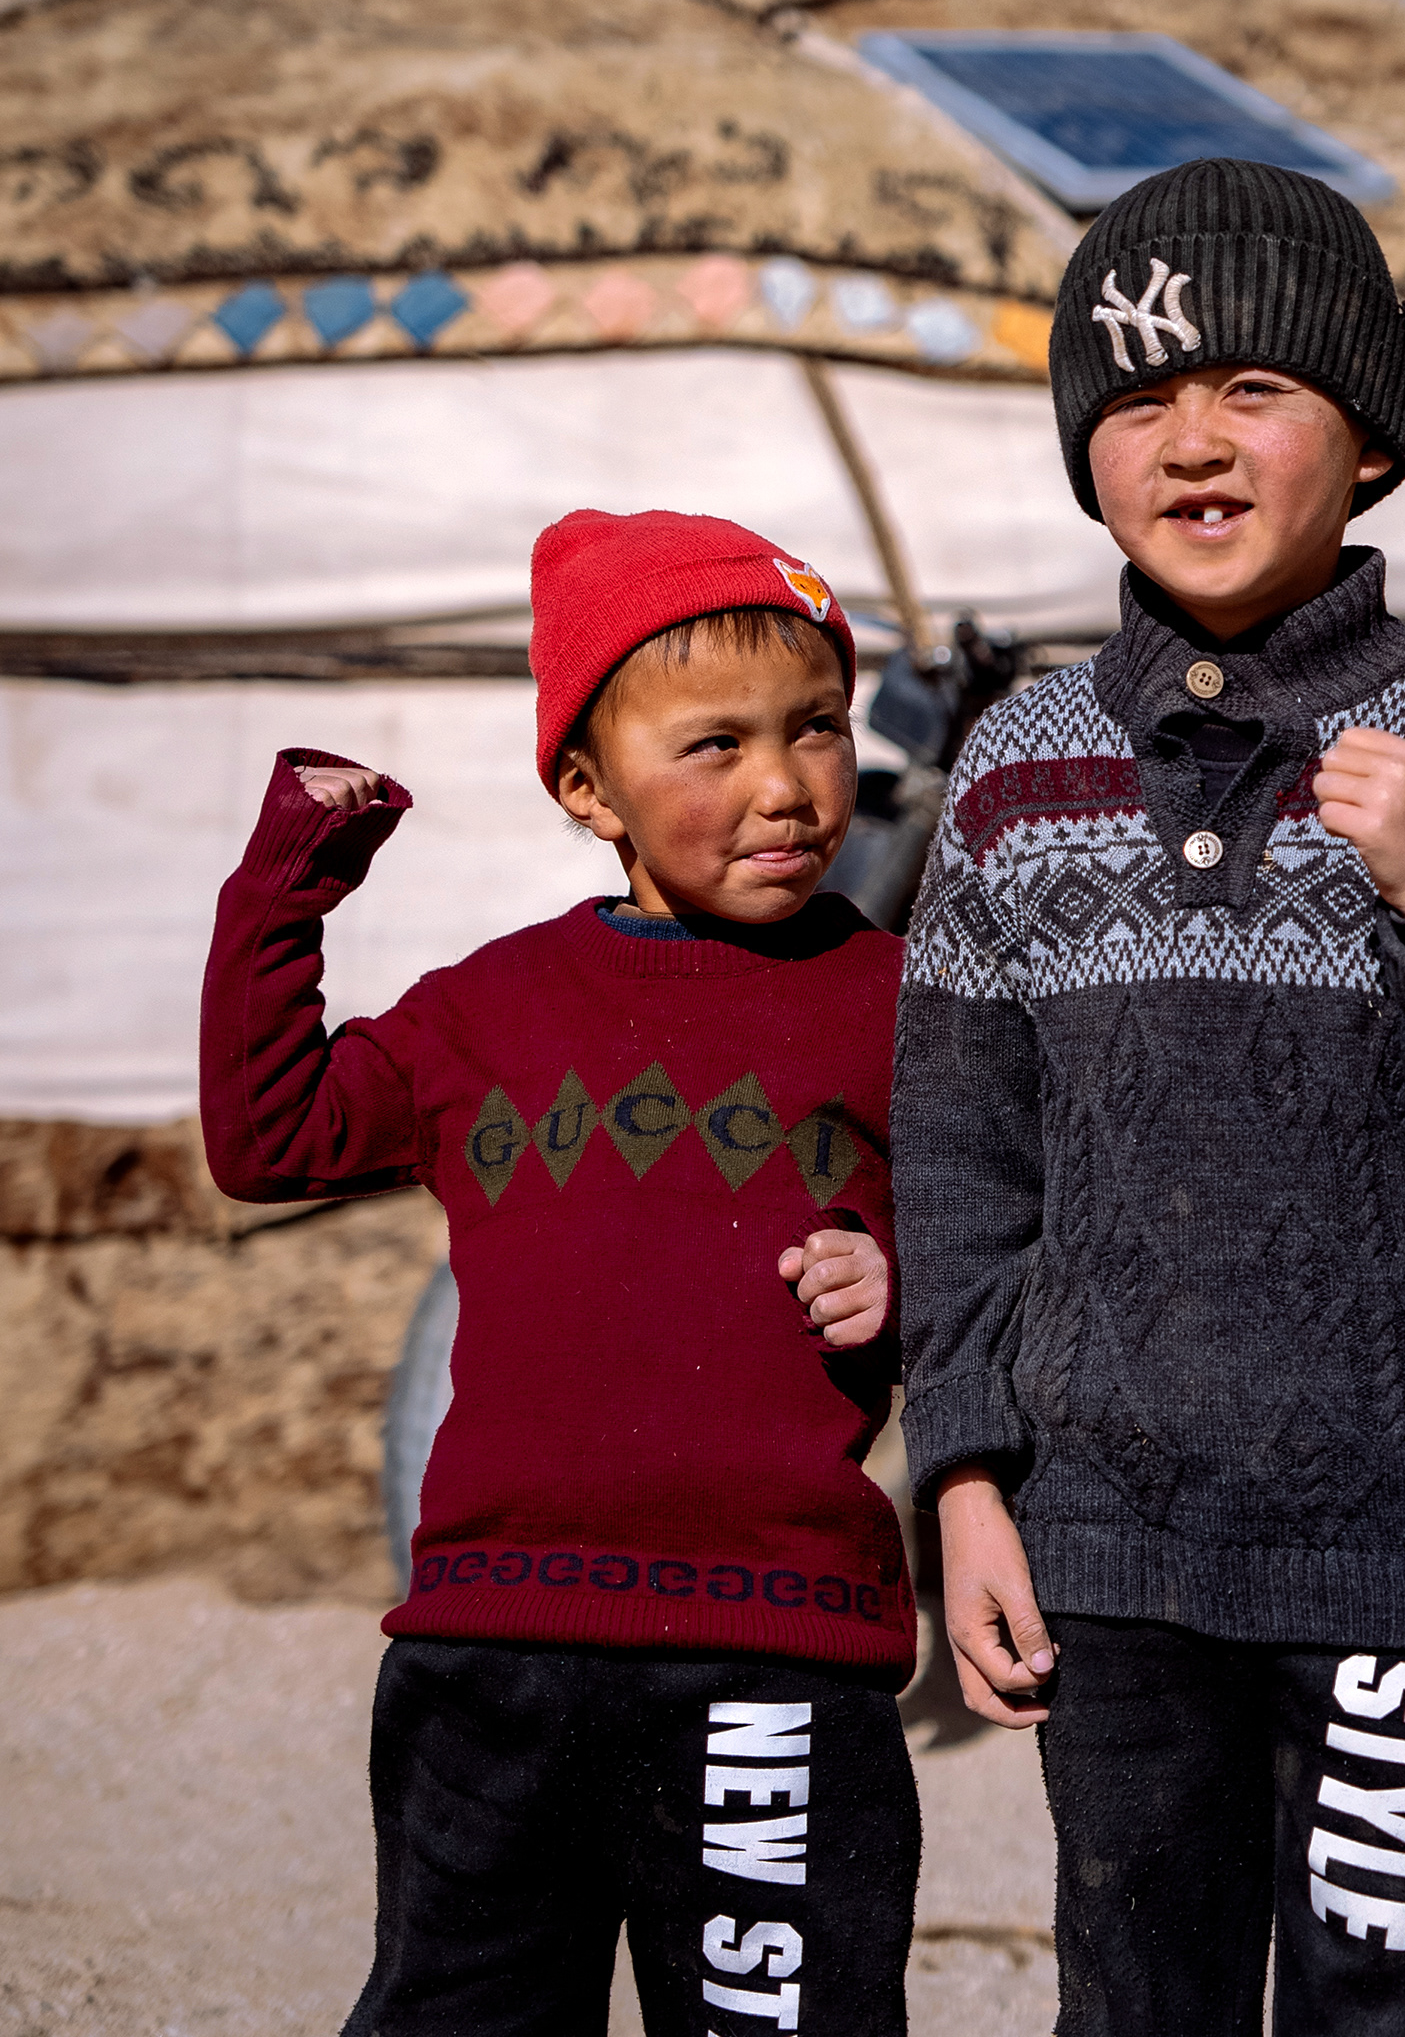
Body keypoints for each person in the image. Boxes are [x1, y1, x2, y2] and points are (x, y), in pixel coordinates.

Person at [892, 160, 1405, 2037]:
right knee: (1140, 2009)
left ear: (1367, 442)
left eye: (1252, 391)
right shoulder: (1017, 767)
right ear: (1085, 457)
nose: (1191, 442)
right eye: (1135, 400)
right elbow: (962, 1160)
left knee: (1390, 2017)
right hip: (1107, 1534)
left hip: (1394, 1528)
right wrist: (966, 1481)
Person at [198, 509, 920, 2037]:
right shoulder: (495, 1009)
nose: (784, 787)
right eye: (712, 748)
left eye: (817, 731)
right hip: (491, 1648)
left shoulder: (895, 1004)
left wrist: (899, 1270)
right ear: (589, 789)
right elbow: (270, 1136)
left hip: (773, 1647)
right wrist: (290, 886)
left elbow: (1021, 1218)